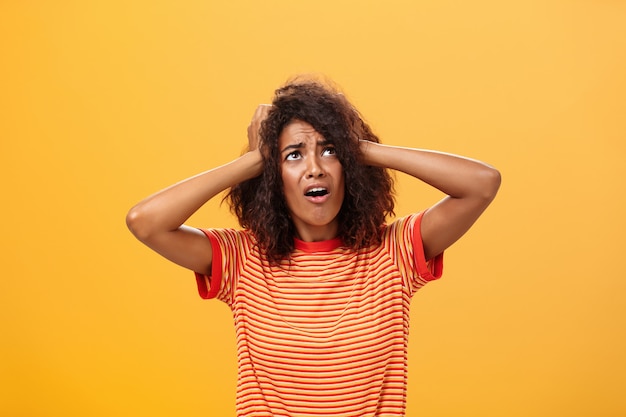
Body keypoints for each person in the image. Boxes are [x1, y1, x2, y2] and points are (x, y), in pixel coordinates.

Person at [126, 77, 501, 417]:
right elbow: (145, 221)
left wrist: (361, 149)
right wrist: (253, 160)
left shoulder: (394, 251)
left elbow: (482, 184)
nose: (314, 169)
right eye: (293, 155)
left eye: (329, 151)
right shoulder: (241, 259)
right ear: (274, 177)